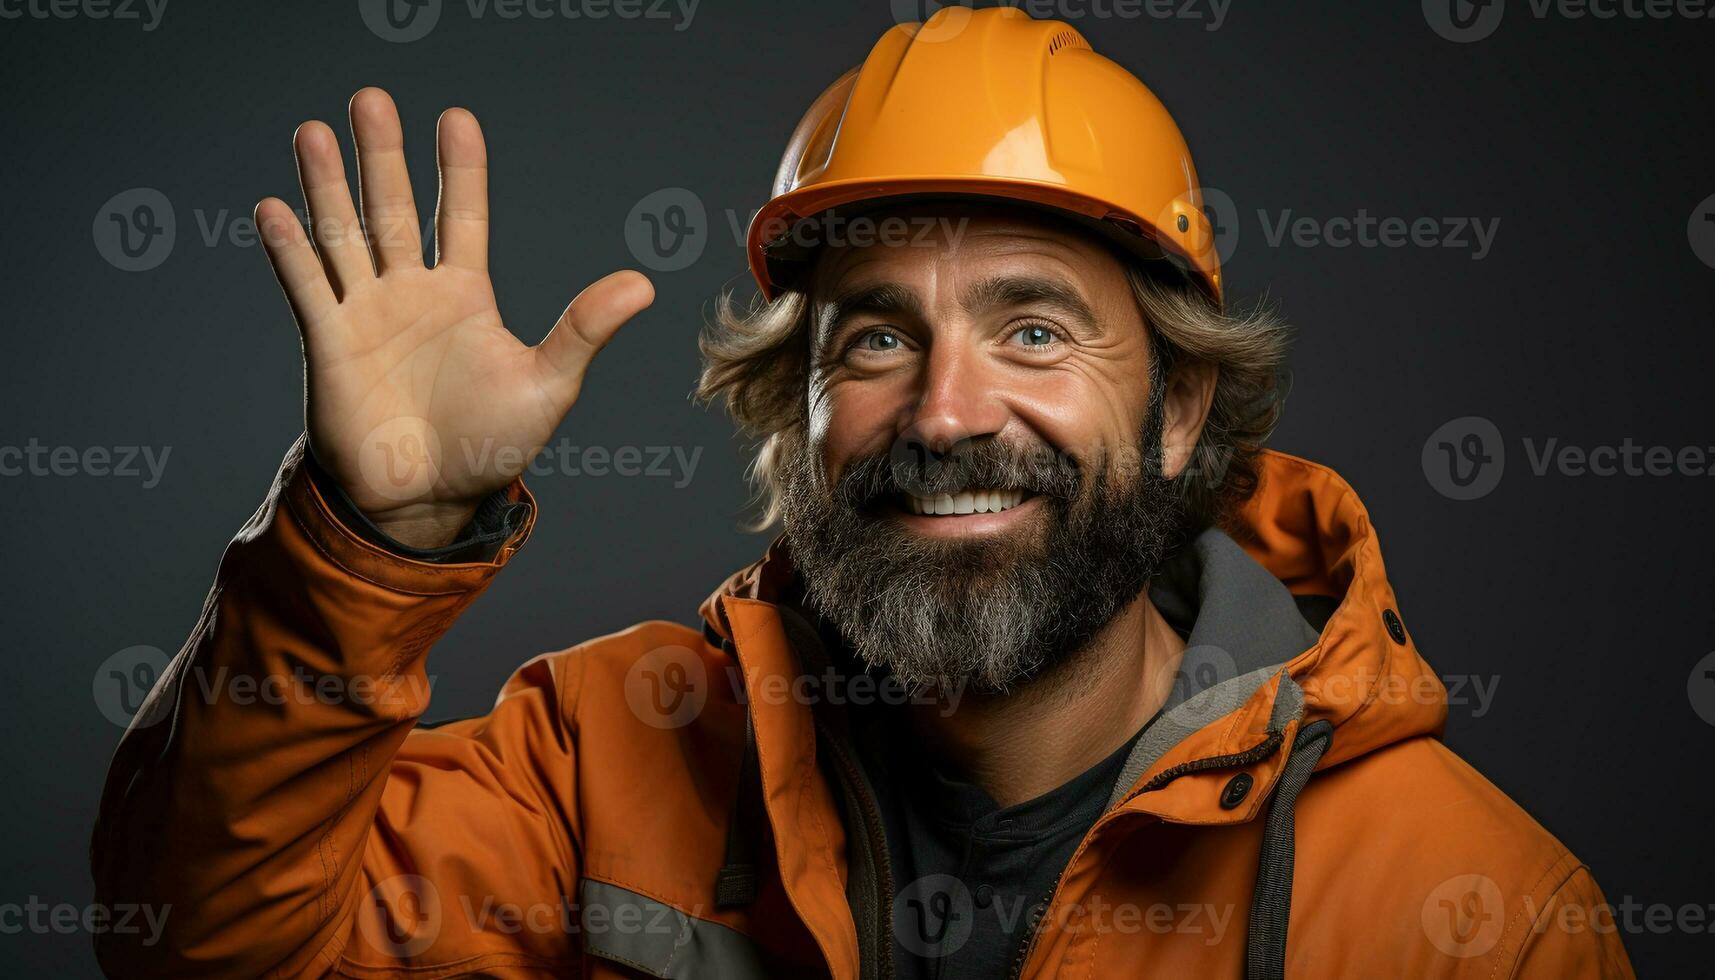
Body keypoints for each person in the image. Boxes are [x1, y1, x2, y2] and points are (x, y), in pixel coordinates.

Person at [91, 7, 1634, 978]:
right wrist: (369, 538)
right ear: (796, 407)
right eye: (878, 336)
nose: (949, 411)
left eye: (1034, 327)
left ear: (1180, 409)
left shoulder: (1470, 912)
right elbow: (208, 949)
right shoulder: (599, 759)